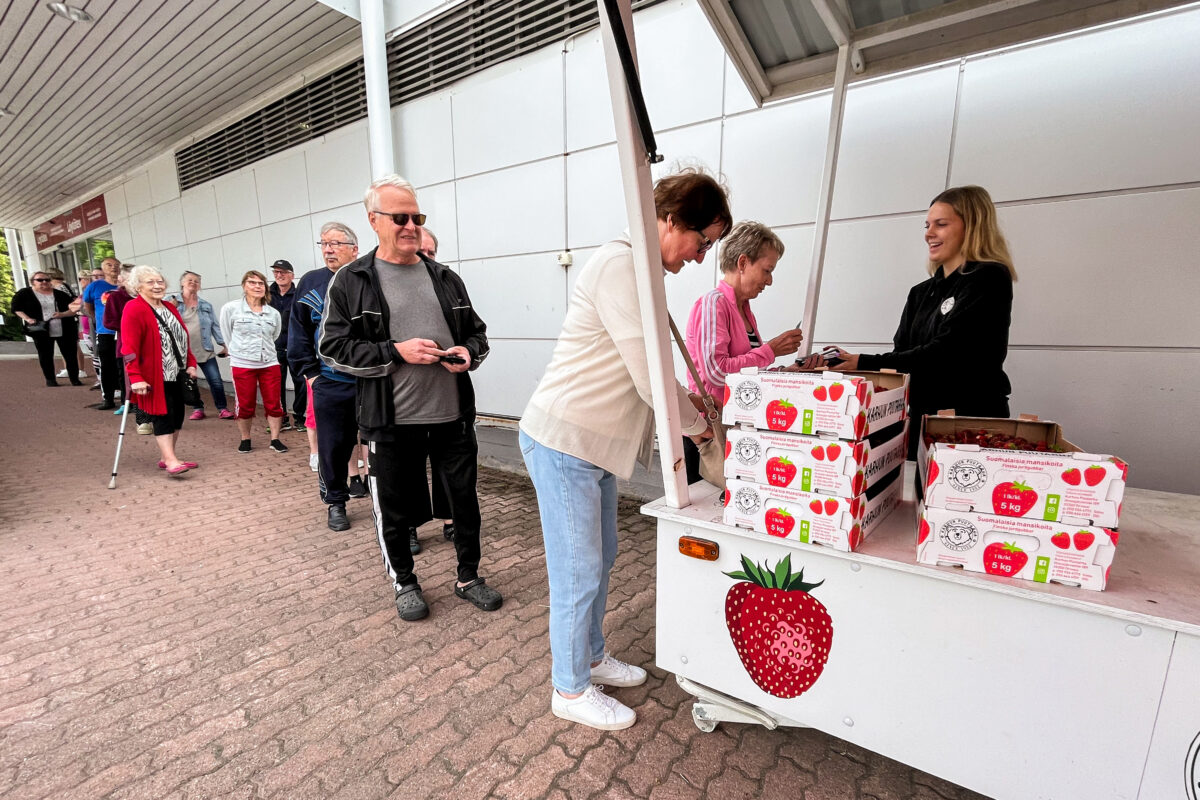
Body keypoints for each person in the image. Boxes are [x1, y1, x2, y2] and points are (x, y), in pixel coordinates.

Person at [519, 168, 731, 730]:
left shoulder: (639, 270)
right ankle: (568, 688)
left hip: (590, 448)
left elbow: (653, 374)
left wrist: (691, 413)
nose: (700, 255)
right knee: (577, 569)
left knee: (601, 557)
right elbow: (650, 377)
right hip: (565, 440)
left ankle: (589, 656)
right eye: (701, 240)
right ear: (669, 219)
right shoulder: (620, 265)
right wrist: (702, 428)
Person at [320, 174, 501, 622]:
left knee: (464, 501)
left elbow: (477, 334)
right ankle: (405, 582)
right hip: (389, 421)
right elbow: (332, 348)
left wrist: (468, 353)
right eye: (399, 217)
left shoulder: (444, 277)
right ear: (374, 220)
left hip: (452, 416)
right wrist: (394, 352)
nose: (410, 226)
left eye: (416, 217)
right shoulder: (351, 280)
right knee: (394, 509)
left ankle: (468, 577)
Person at [804, 185, 1016, 458]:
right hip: (920, 421)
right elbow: (901, 355)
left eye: (941, 224)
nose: (929, 233)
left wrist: (864, 362)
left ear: (971, 227)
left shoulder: (989, 278)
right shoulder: (920, 293)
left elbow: (947, 352)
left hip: (969, 424)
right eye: (927, 225)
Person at [683, 221, 804, 482]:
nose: (769, 281)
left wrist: (786, 372)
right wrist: (770, 351)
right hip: (708, 437)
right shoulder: (713, 304)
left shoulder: (744, 309)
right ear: (742, 262)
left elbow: (748, 371)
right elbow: (717, 373)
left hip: (732, 429)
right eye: (767, 270)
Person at [289, 222, 371, 532]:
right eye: (323, 243)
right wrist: (310, 374)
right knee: (333, 446)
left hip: (369, 382)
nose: (328, 249)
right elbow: (297, 332)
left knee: (377, 445)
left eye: (335, 243)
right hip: (330, 382)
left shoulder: (369, 278)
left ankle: (381, 498)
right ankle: (336, 502)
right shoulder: (312, 282)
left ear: (354, 248)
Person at [120, 265, 199, 475]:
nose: (157, 286)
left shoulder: (169, 307)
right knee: (163, 415)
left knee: (177, 415)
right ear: (137, 287)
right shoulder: (133, 308)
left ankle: (168, 457)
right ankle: (171, 460)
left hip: (177, 372)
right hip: (154, 374)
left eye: (160, 281)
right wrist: (135, 377)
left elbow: (182, 339)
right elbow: (128, 347)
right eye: (150, 282)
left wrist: (191, 362)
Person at [220, 270, 288, 454]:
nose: (257, 286)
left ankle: (275, 438)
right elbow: (227, 335)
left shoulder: (272, 313)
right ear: (244, 286)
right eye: (252, 283)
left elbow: (275, 335)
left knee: (274, 403)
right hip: (243, 364)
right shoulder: (231, 309)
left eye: (260, 283)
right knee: (245, 404)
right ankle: (245, 438)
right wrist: (237, 352)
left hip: (269, 362)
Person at [418, 226, 455, 543]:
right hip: (404, 400)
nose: (427, 258)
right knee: (408, 467)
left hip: (445, 393)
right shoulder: (384, 287)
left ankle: (449, 518)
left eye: (432, 253)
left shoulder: (446, 284)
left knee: (446, 463)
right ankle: (409, 527)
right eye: (421, 252)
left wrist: (467, 350)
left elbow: (473, 331)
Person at [168, 271, 233, 420]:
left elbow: (215, 327)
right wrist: (170, 308)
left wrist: (224, 345)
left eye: (196, 281)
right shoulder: (170, 301)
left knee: (215, 380)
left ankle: (222, 408)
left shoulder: (205, 305)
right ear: (182, 283)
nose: (193, 283)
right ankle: (198, 408)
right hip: (181, 350)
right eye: (189, 280)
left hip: (204, 348)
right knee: (191, 381)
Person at [10, 272, 82, 386]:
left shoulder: (60, 294)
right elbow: (16, 308)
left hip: (64, 328)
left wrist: (62, 314)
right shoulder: (24, 293)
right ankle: (50, 379)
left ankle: (74, 378)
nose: (44, 282)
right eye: (40, 280)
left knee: (70, 354)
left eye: (47, 280)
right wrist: (28, 319)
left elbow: (74, 309)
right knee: (45, 355)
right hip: (41, 329)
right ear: (32, 281)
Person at [268, 259, 305, 430]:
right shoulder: (267, 295)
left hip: (295, 347)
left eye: (283, 272)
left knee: (301, 383)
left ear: (292, 275)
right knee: (277, 385)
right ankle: (281, 417)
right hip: (274, 349)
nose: (279, 275)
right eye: (276, 272)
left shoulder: (299, 294)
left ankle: (299, 416)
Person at [82, 256, 123, 409]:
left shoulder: (125, 286)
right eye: (109, 265)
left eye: (116, 265)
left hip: (124, 332)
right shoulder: (95, 286)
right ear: (102, 268)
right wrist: (99, 319)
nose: (113, 267)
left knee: (123, 364)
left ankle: (127, 399)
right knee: (106, 365)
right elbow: (88, 306)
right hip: (105, 332)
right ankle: (108, 398)